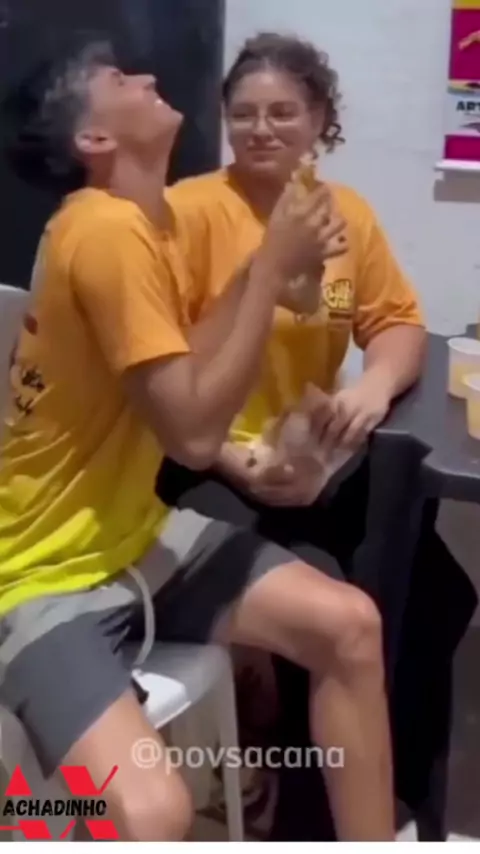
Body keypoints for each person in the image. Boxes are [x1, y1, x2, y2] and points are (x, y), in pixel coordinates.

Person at [0, 41, 394, 841]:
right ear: (94, 138)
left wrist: (262, 276)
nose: (149, 77)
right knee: (155, 812)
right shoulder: (105, 233)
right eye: (121, 80)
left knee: (350, 624)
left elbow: (188, 359)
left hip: (133, 536)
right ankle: (21, 821)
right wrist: (271, 268)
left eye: (284, 113)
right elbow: (190, 433)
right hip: (38, 573)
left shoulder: (148, 225)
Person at [166, 32, 425, 512]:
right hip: (208, 456)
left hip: (312, 448)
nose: (261, 129)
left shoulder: (347, 212)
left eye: (282, 113)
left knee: (409, 529)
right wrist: (233, 461)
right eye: (243, 114)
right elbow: (152, 377)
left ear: (318, 119)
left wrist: (376, 386)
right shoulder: (183, 211)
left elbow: (395, 320)